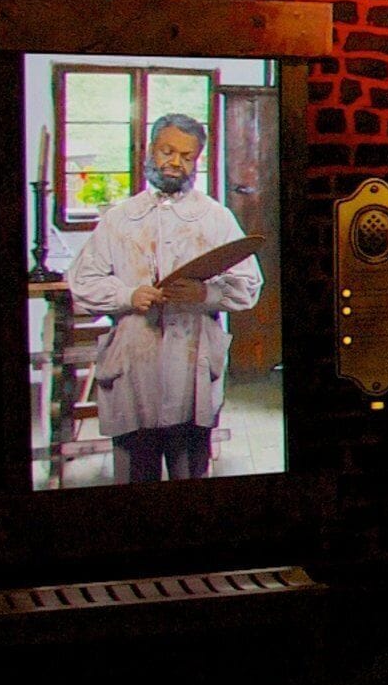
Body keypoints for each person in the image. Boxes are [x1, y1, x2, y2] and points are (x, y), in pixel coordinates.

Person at [63, 112, 261, 482]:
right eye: (167, 151)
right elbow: (82, 281)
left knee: (191, 473)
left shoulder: (214, 218)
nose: (175, 163)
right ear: (150, 150)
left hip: (193, 360)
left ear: (197, 161)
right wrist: (127, 295)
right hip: (133, 361)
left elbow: (249, 286)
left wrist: (205, 292)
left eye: (187, 156)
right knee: (136, 474)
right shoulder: (120, 218)